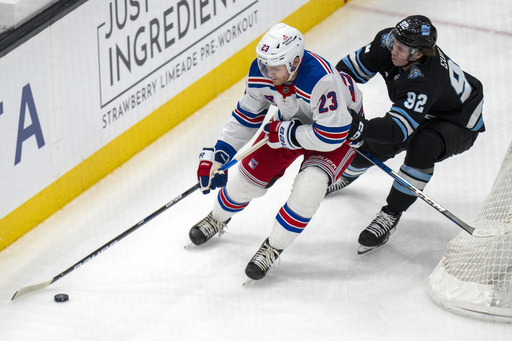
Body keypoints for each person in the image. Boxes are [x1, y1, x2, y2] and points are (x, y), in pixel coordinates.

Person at [188, 23, 364, 281]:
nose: (267, 72)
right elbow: (247, 116)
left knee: (309, 188)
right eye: (264, 64)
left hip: (336, 133)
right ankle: (217, 218)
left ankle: (273, 247)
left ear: (294, 62)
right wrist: (221, 154)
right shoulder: (262, 71)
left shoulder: (321, 79)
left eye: (275, 67)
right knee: (244, 182)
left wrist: (289, 134)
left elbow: (331, 135)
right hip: (290, 123)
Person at [328, 15, 485, 254]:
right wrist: (332, 101)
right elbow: (345, 72)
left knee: (422, 145)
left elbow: (397, 130)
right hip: (431, 106)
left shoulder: (423, 79)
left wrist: (362, 126)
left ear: (418, 54)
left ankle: (391, 214)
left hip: (458, 121)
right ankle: (347, 174)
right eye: (394, 41)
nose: (393, 48)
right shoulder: (387, 42)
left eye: (401, 48)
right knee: (372, 144)